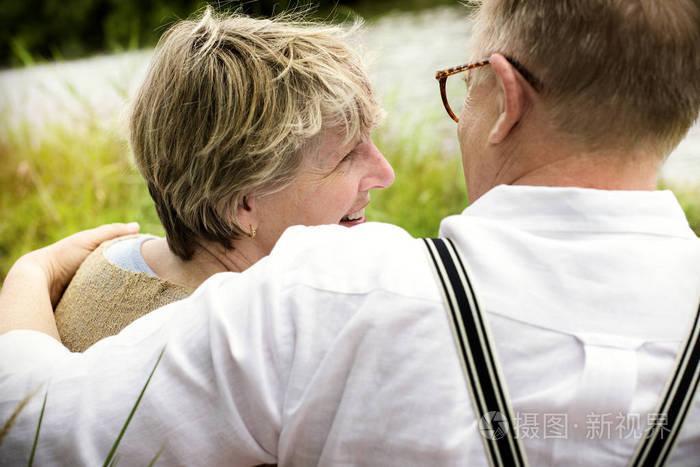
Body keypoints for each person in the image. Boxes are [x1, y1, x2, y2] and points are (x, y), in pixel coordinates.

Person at [2, 0, 700, 465]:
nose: (389, 172)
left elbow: (33, 428)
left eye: (465, 80)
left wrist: (27, 276)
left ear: (505, 98)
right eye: (348, 153)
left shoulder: (325, 294)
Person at [52, 9, 395, 351]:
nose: (385, 173)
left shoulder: (108, 258)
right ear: (241, 205)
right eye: (346, 157)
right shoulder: (240, 348)